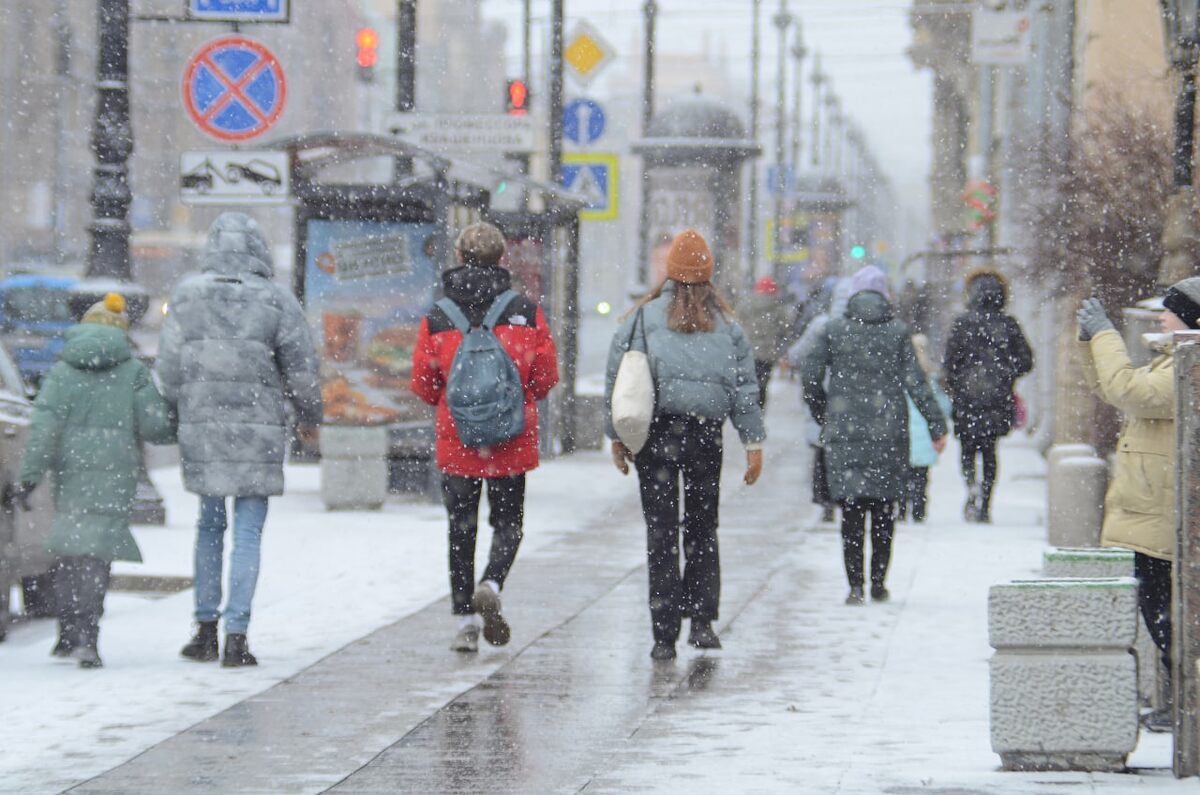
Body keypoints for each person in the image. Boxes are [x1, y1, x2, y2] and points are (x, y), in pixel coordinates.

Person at [157, 212, 322, 668]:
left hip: (204, 427)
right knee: (248, 531)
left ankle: (204, 629)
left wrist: (175, 408)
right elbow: (301, 370)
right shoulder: (276, 300)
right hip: (260, 429)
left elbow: (168, 370)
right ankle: (237, 635)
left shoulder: (188, 296)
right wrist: (311, 416)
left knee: (209, 526)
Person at [605, 229, 765, 661]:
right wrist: (752, 441)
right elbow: (745, 387)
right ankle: (702, 622)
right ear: (709, 275)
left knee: (660, 533)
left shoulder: (643, 317)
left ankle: (662, 634)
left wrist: (617, 436)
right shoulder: (728, 325)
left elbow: (621, 379)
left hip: (655, 436)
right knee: (701, 529)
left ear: (671, 274)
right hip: (704, 436)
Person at [411, 222, 559, 654]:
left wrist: (456, 404)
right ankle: (492, 581)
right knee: (508, 522)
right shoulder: (526, 312)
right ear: (502, 259)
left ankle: (465, 622)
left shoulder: (439, 315)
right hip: (510, 439)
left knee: (461, 529)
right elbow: (546, 376)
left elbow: (423, 384)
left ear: (458, 256)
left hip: (458, 440)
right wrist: (513, 400)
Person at [16, 294, 176, 668]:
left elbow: (43, 430)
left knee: (72, 549)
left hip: (72, 475)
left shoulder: (63, 372)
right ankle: (88, 633)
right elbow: (156, 427)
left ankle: (70, 632)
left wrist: (30, 476)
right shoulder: (132, 371)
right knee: (98, 553)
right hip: (115, 474)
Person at [1076, 281, 1199, 732]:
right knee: (1160, 613)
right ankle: (1181, 705)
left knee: (1168, 617)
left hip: (1163, 513)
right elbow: (1113, 388)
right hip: (1155, 510)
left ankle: (1187, 708)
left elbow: (1127, 389)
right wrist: (1092, 341)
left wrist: (1105, 335)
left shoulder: (1186, 367)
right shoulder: (1174, 361)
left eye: (1171, 313)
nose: (1162, 320)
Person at [801, 265, 947, 605]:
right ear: (884, 297)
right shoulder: (898, 333)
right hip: (889, 432)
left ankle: (855, 586)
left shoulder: (834, 330)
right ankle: (879, 583)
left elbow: (810, 374)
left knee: (851, 512)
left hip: (844, 432)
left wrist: (825, 411)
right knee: (884, 511)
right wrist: (936, 426)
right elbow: (916, 382)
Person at [942, 269, 1033, 523]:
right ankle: (986, 501)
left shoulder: (962, 324)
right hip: (997, 398)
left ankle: (971, 485)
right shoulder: (1008, 325)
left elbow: (949, 364)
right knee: (990, 450)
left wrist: (957, 385)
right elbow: (1026, 361)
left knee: (967, 448)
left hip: (967, 399)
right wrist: (1006, 374)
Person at [788, 277, 852, 524]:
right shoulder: (860, 329)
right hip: (849, 403)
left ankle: (825, 500)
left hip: (823, 400)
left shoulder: (820, 325)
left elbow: (798, 354)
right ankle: (845, 495)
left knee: (822, 449)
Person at [899, 334, 952, 523]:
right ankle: (919, 509)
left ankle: (902, 508)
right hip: (923, 436)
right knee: (921, 476)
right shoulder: (928, 378)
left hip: (903, 433)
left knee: (902, 475)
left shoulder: (899, 376)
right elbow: (940, 405)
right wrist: (939, 428)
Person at [739, 276, 793, 407]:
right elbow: (785, 331)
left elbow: (737, 324)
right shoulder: (778, 308)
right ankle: (758, 412)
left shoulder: (745, 305)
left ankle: (746, 409)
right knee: (762, 385)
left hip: (747, 352)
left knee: (746, 385)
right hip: (766, 354)